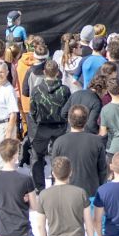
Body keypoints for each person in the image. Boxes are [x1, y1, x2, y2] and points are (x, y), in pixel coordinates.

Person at [28, 60, 70, 192]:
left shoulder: (36, 90)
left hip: (41, 127)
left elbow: (32, 111)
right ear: (57, 72)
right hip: (60, 127)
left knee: (37, 155)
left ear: (44, 72)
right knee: (57, 157)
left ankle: (39, 187)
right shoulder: (65, 90)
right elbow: (68, 110)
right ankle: (57, 182)